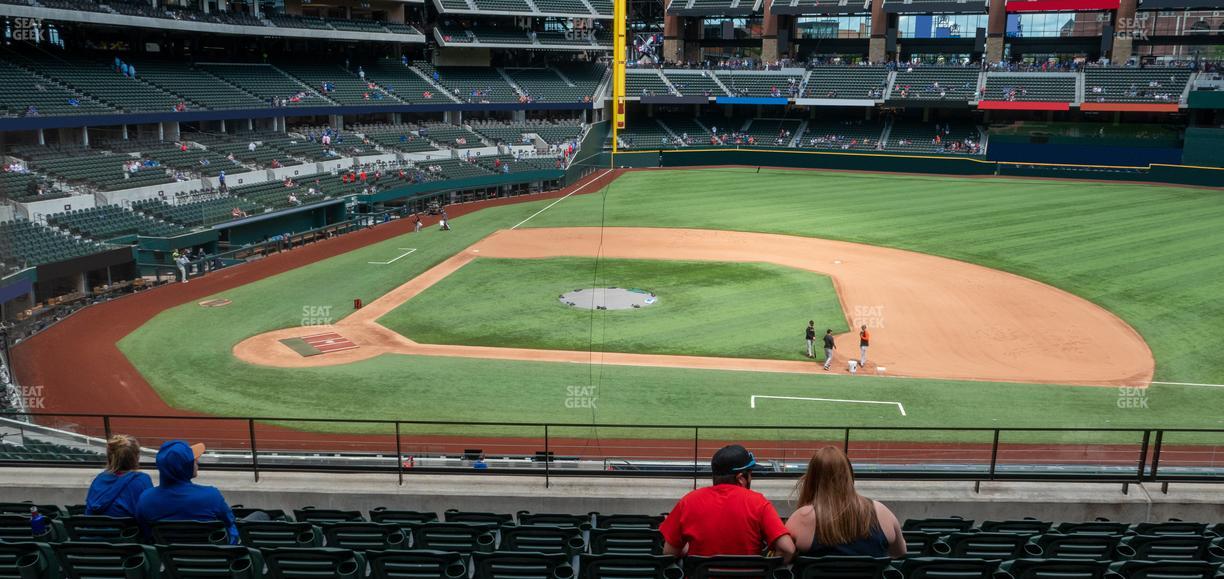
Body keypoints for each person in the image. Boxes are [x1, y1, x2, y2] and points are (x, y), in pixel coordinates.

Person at [660, 444, 795, 560]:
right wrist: (767, 567)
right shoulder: (758, 502)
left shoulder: (689, 501)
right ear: (741, 478)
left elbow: (669, 553)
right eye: (750, 473)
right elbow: (787, 549)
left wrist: (688, 550)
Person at [784, 447, 906, 558]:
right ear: (849, 475)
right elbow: (900, 553)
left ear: (811, 478)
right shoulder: (881, 511)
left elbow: (784, 556)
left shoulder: (802, 517)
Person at [135, 440, 240, 544]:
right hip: (212, 558)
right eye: (193, 460)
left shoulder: (145, 499)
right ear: (185, 468)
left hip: (168, 558)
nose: (197, 461)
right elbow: (230, 523)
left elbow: (145, 533)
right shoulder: (212, 496)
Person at [84, 435, 153, 518]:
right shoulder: (142, 480)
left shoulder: (98, 479)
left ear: (110, 457)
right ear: (136, 458)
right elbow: (148, 514)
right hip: (128, 530)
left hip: (92, 530)